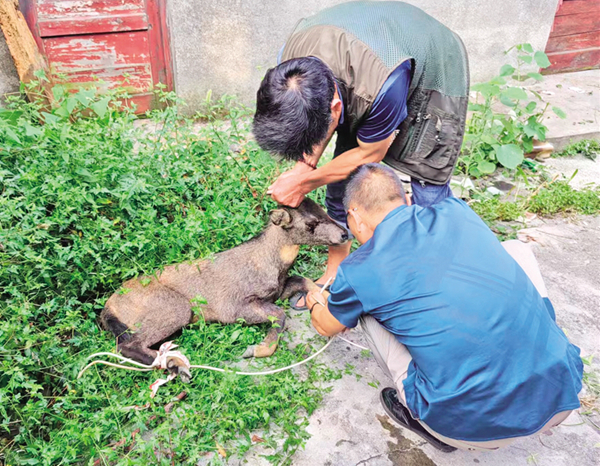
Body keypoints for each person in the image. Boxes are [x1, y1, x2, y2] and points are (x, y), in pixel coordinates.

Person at [306, 163, 584, 452]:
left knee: (365, 312)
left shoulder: (359, 270)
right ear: (407, 200)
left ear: (354, 217)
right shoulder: (457, 210)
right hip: (563, 392)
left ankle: (427, 421)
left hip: (474, 429)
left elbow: (326, 326)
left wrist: (315, 300)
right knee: (515, 248)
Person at [253, 1, 469, 306]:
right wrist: (306, 165)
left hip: (432, 66)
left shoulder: (382, 87)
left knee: (428, 183)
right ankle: (336, 273)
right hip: (364, 61)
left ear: (334, 108)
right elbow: (319, 122)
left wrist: (305, 182)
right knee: (340, 183)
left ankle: (438, 278)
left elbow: (372, 151)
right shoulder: (288, 72)